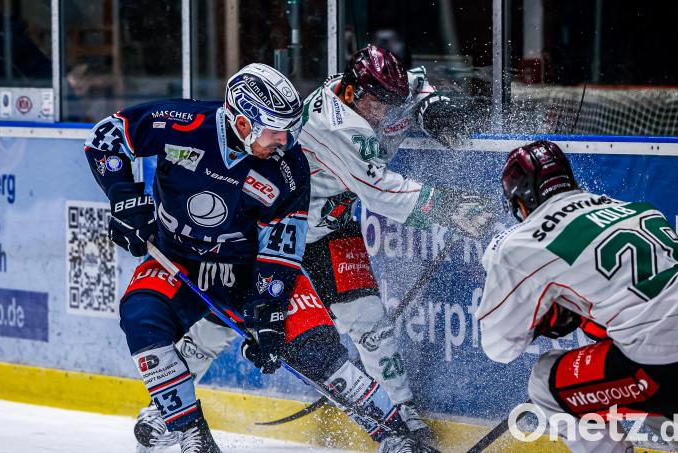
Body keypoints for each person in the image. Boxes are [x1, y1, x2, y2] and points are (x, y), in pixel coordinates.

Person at [86, 63, 428, 453]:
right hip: (179, 259)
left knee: (318, 351)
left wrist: (269, 308)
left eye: (289, 128)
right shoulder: (183, 121)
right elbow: (106, 137)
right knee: (141, 318)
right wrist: (121, 194)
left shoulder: (289, 167)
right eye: (274, 129)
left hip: (249, 269)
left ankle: (396, 435)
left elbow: (281, 249)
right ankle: (188, 433)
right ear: (243, 121)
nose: (284, 140)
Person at [166, 44, 492, 446]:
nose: (385, 114)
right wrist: (449, 208)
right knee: (228, 322)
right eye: (377, 105)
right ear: (353, 93)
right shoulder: (333, 125)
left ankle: (404, 417)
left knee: (370, 322)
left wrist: (432, 108)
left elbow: (416, 86)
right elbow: (381, 193)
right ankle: (165, 409)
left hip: (332, 228)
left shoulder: (378, 89)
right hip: (279, 234)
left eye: (392, 104)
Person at [476, 140, 678, 452]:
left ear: (522, 202)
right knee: (640, 350)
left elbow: (499, 346)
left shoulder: (523, 243)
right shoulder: (631, 208)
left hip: (672, 367)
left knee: (544, 382)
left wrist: (544, 321)